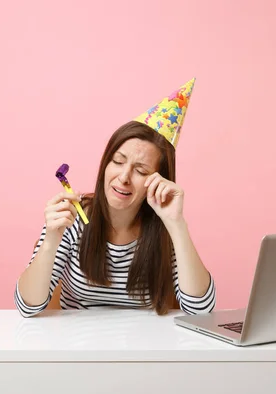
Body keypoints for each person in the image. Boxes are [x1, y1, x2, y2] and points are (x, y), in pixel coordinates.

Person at [15, 78, 216, 317]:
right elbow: (28, 306)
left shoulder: (165, 227)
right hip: (78, 347)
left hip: (145, 349)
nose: (124, 177)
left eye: (141, 171)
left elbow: (200, 310)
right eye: (118, 162)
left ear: (158, 180)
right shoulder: (73, 219)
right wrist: (50, 240)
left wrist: (177, 225)